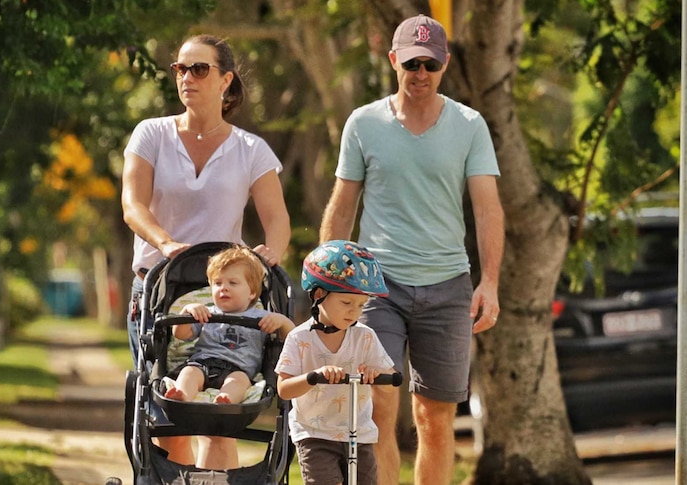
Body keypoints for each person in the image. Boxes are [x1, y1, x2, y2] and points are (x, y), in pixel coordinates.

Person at [318, 14, 505, 485]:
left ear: (443, 66)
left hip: (448, 288)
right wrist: (325, 282)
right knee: (380, 406)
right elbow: (343, 207)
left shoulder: (469, 125)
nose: (420, 73)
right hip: (377, 287)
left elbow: (487, 210)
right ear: (392, 62)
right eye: (411, 63)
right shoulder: (364, 123)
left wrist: (490, 282)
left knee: (435, 419)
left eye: (430, 64)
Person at [121, 33, 290, 468]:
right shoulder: (151, 134)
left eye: (199, 69)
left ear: (225, 80)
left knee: (218, 420)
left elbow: (277, 219)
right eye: (180, 68)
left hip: (226, 296)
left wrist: (268, 255)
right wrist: (166, 243)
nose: (187, 77)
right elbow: (132, 205)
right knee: (171, 418)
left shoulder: (251, 149)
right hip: (160, 291)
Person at [275, 240, 396, 485]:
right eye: (346, 303)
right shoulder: (299, 338)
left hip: (359, 434)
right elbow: (284, 389)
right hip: (315, 434)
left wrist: (377, 373)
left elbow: (391, 381)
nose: (354, 311)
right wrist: (313, 376)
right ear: (319, 295)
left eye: (361, 305)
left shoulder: (365, 336)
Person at [165, 246, 294, 407]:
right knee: (188, 373)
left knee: (238, 382)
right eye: (217, 283)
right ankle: (182, 394)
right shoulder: (206, 312)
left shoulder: (262, 317)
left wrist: (283, 321)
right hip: (203, 363)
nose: (223, 288)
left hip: (239, 369)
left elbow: (293, 340)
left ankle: (225, 399)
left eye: (233, 283)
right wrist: (187, 312)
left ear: (252, 292)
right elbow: (180, 335)